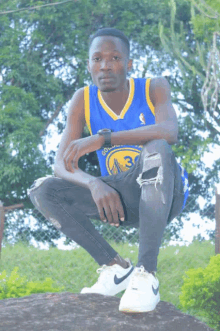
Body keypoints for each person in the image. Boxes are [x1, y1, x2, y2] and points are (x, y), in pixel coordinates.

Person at [28, 28, 189, 313]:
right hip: (119, 200)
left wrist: (103, 139)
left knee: (157, 148)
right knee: (43, 189)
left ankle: (146, 275)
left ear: (128, 65)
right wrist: (93, 183)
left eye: (115, 58)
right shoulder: (83, 98)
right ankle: (115, 268)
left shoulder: (154, 87)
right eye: (97, 59)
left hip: (164, 194)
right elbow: (60, 163)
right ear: (89, 65)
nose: (105, 65)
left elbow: (170, 131)